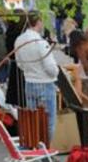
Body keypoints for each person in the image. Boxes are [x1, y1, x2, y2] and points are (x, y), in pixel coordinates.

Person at [15, 12, 59, 141]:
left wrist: (30, 71)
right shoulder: (40, 42)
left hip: (29, 82)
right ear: (38, 22)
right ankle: (45, 150)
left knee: (33, 120)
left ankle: (35, 146)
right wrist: (56, 72)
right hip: (44, 83)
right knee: (48, 121)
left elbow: (20, 63)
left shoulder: (19, 40)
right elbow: (50, 68)